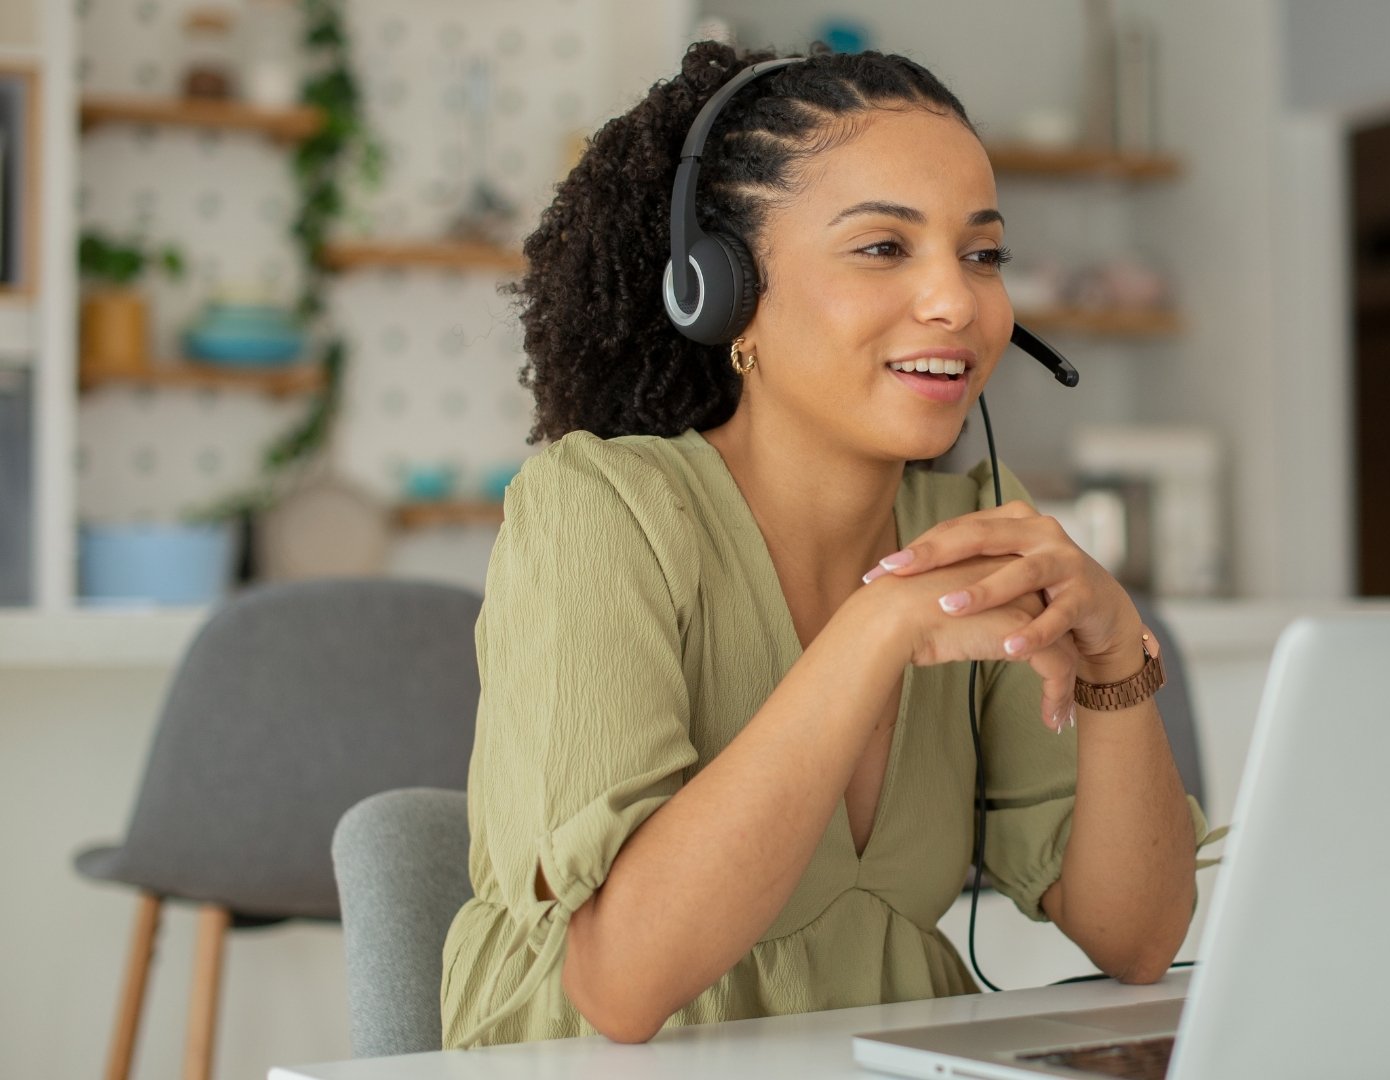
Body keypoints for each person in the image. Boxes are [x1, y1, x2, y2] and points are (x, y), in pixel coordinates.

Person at [441, 41, 1215, 1050]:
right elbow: (623, 984)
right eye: (884, 248)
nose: (956, 302)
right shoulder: (600, 509)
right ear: (724, 293)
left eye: (981, 255)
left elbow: (1136, 938)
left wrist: (1118, 666)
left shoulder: (973, 529)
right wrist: (875, 631)